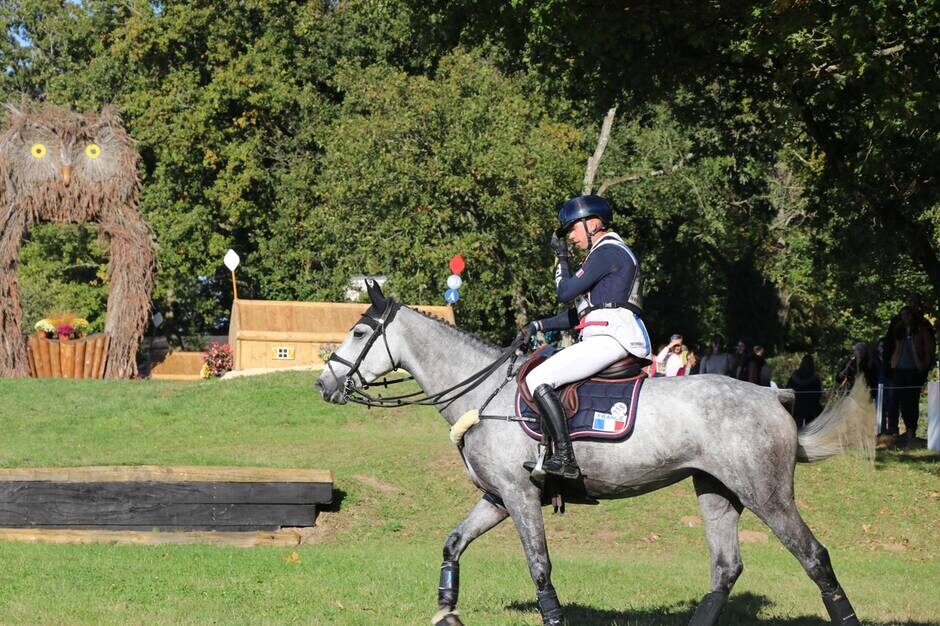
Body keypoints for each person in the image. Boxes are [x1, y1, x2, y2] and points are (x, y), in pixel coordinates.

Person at [518, 195, 651, 478]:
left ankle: (565, 459)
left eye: (573, 229)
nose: (572, 237)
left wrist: (562, 258)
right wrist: (538, 326)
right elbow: (581, 314)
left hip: (611, 338)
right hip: (607, 333)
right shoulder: (606, 255)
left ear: (593, 224)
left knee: (537, 378)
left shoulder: (607, 251)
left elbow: (564, 292)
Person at [888, 306, 936, 442]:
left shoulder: (921, 330)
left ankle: (911, 430)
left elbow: (928, 349)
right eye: (902, 314)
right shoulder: (898, 330)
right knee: (900, 400)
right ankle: (896, 431)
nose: (905, 317)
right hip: (899, 369)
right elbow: (890, 347)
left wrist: (924, 365)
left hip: (914, 370)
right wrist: (892, 363)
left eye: (907, 314)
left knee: (912, 401)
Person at [785, 354, 823, 428]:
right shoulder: (815, 377)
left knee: (797, 430)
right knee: (809, 431)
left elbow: (788, 389)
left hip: (798, 408)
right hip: (810, 410)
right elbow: (818, 393)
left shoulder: (794, 376)